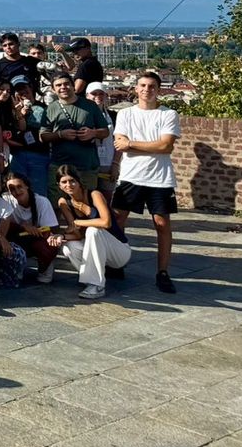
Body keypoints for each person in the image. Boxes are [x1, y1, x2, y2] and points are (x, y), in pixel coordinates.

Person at [110, 70, 180, 293]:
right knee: (118, 220)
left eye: (151, 86)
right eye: (142, 85)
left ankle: (163, 272)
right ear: (136, 88)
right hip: (131, 176)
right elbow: (119, 143)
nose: (146, 90)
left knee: (162, 224)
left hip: (159, 178)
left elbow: (165, 146)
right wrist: (150, 146)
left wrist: (132, 144)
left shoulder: (168, 114)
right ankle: (116, 263)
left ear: (158, 90)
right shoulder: (125, 114)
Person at [51, 165, 131, 300]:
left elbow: (106, 222)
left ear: (79, 181)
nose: (68, 185)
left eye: (72, 181)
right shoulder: (64, 202)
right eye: (64, 182)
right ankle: (90, 280)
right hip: (97, 248)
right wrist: (61, 236)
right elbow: (77, 235)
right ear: (59, 185)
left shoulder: (94, 195)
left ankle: (97, 285)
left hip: (119, 251)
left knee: (93, 231)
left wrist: (79, 222)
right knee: (68, 247)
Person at [41, 72, 110, 192]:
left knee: (87, 200)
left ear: (73, 85)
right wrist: (60, 135)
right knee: (58, 201)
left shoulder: (90, 106)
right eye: (58, 85)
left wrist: (92, 133)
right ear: (53, 89)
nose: (63, 87)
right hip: (60, 167)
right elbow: (43, 136)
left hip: (86, 166)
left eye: (66, 84)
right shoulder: (50, 109)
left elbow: (105, 132)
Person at [3, 170, 60, 283]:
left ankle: (44, 267)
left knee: (51, 242)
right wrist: (23, 227)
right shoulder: (5, 200)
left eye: (19, 187)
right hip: (16, 239)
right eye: (12, 189)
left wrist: (36, 231)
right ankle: (15, 267)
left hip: (38, 239)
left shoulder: (42, 201)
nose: (17, 191)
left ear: (27, 186)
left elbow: (53, 228)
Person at [6, 76, 50, 197]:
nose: (22, 92)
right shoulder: (10, 111)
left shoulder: (42, 108)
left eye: (24, 87)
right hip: (17, 155)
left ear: (31, 88)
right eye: (18, 90)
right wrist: (18, 114)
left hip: (38, 155)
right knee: (16, 193)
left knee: (38, 194)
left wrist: (24, 114)